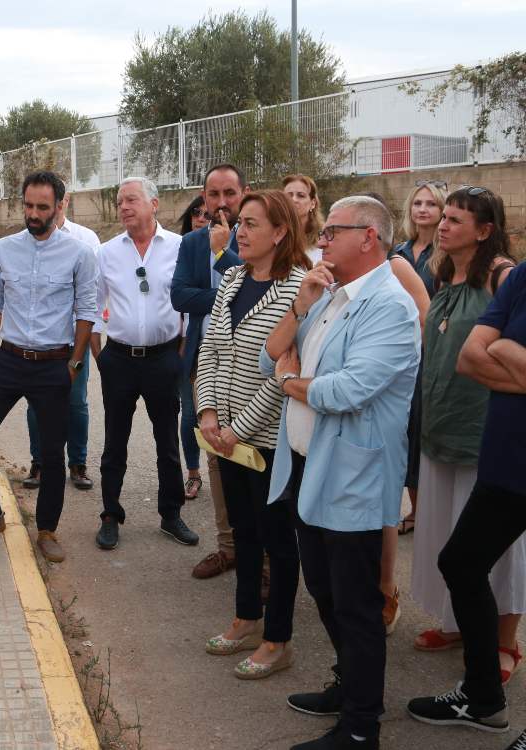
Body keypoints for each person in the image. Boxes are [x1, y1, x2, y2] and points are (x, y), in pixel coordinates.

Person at [266, 196, 420, 749]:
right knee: (325, 590)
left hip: (352, 474)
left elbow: (348, 390)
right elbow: (272, 354)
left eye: (332, 231)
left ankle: (361, 728)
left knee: (355, 604)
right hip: (307, 467)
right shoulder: (328, 294)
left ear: (369, 238)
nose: (321, 240)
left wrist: (290, 383)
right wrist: (300, 305)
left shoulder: (390, 307)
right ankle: (349, 685)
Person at [405, 261, 526, 744]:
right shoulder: (518, 278)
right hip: (505, 459)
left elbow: (490, 351)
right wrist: (502, 348)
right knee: (460, 562)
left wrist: (505, 349)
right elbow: (471, 355)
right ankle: (482, 701)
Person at [0, 171, 98, 564]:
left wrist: (74, 362)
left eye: (42, 207)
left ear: (60, 206)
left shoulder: (79, 253)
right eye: (28, 205)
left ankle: (47, 530)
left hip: (54, 366)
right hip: (9, 361)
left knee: (52, 454)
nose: (33, 214)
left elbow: (86, 310)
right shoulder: (5, 248)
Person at [197, 191, 309, 679]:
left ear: (280, 232)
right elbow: (210, 348)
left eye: (251, 224)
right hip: (222, 433)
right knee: (243, 532)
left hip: (265, 441)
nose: (238, 232)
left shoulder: (300, 289)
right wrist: (206, 413)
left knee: (278, 542)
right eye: (239, 223)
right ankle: (246, 616)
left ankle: (277, 640)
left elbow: (283, 375)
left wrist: (236, 430)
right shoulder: (232, 279)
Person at [94, 176, 199, 550]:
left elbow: (187, 299)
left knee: (167, 441)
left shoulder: (179, 246)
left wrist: (181, 351)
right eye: (120, 200)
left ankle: (171, 515)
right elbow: (93, 305)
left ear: (154, 204)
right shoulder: (106, 252)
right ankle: (110, 514)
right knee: (115, 440)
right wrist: (99, 355)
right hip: (119, 359)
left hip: (163, 358)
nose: (123, 207)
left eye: (131, 200)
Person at [172, 164, 245, 576]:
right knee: (216, 451)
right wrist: (219, 294)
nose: (220, 203)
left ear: (243, 193)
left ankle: (264, 556)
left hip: (253, 365)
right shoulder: (192, 243)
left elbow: (259, 291)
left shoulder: (259, 238)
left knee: (255, 457)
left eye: (229, 194)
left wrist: (224, 254)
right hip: (206, 359)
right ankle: (228, 545)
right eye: (213, 195)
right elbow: (179, 295)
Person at [23, 190, 101, 491]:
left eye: (52, 201)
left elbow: (93, 295)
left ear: (63, 202)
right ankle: (39, 463)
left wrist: (90, 342)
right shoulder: (27, 241)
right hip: (41, 342)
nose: (40, 210)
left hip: (74, 339)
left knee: (76, 402)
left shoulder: (86, 240)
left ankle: (78, 464)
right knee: (36, 405)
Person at [392, 179, 447, 537]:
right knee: (405, 431)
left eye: (431, 203)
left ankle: (428, 510)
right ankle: (412, 507)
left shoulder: (445, 253)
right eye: (417, 203)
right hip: (398, 349)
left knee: (424, 427)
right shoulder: (399, 250)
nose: (423, 209)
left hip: (431, 350)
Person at [176, 195, 212, 502]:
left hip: (218, 343)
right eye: (196, 213)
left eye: (207, 214)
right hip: (187, 344)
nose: (201, 218)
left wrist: (203, 295)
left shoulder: (234, 246)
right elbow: (179, 298)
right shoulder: (184, 247)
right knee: (190, 413)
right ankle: (193, 473)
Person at [282, 174, 324, 260]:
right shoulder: (271, 237)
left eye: (300, 195)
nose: (294, 199)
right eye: (288, 195)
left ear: (313, 203)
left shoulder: (325, 240)